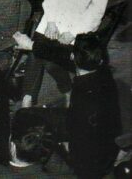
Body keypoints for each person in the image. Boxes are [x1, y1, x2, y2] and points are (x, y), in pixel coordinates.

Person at [12, 32, 121, 179]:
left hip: (84, 158)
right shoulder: (101, 69)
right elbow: (61, 53)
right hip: (95, 132)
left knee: (24, 116)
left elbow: (79, 137)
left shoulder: (86, 103)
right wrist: (31, 45)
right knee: (28, 115)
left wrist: (65, 148)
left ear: (73, 57)